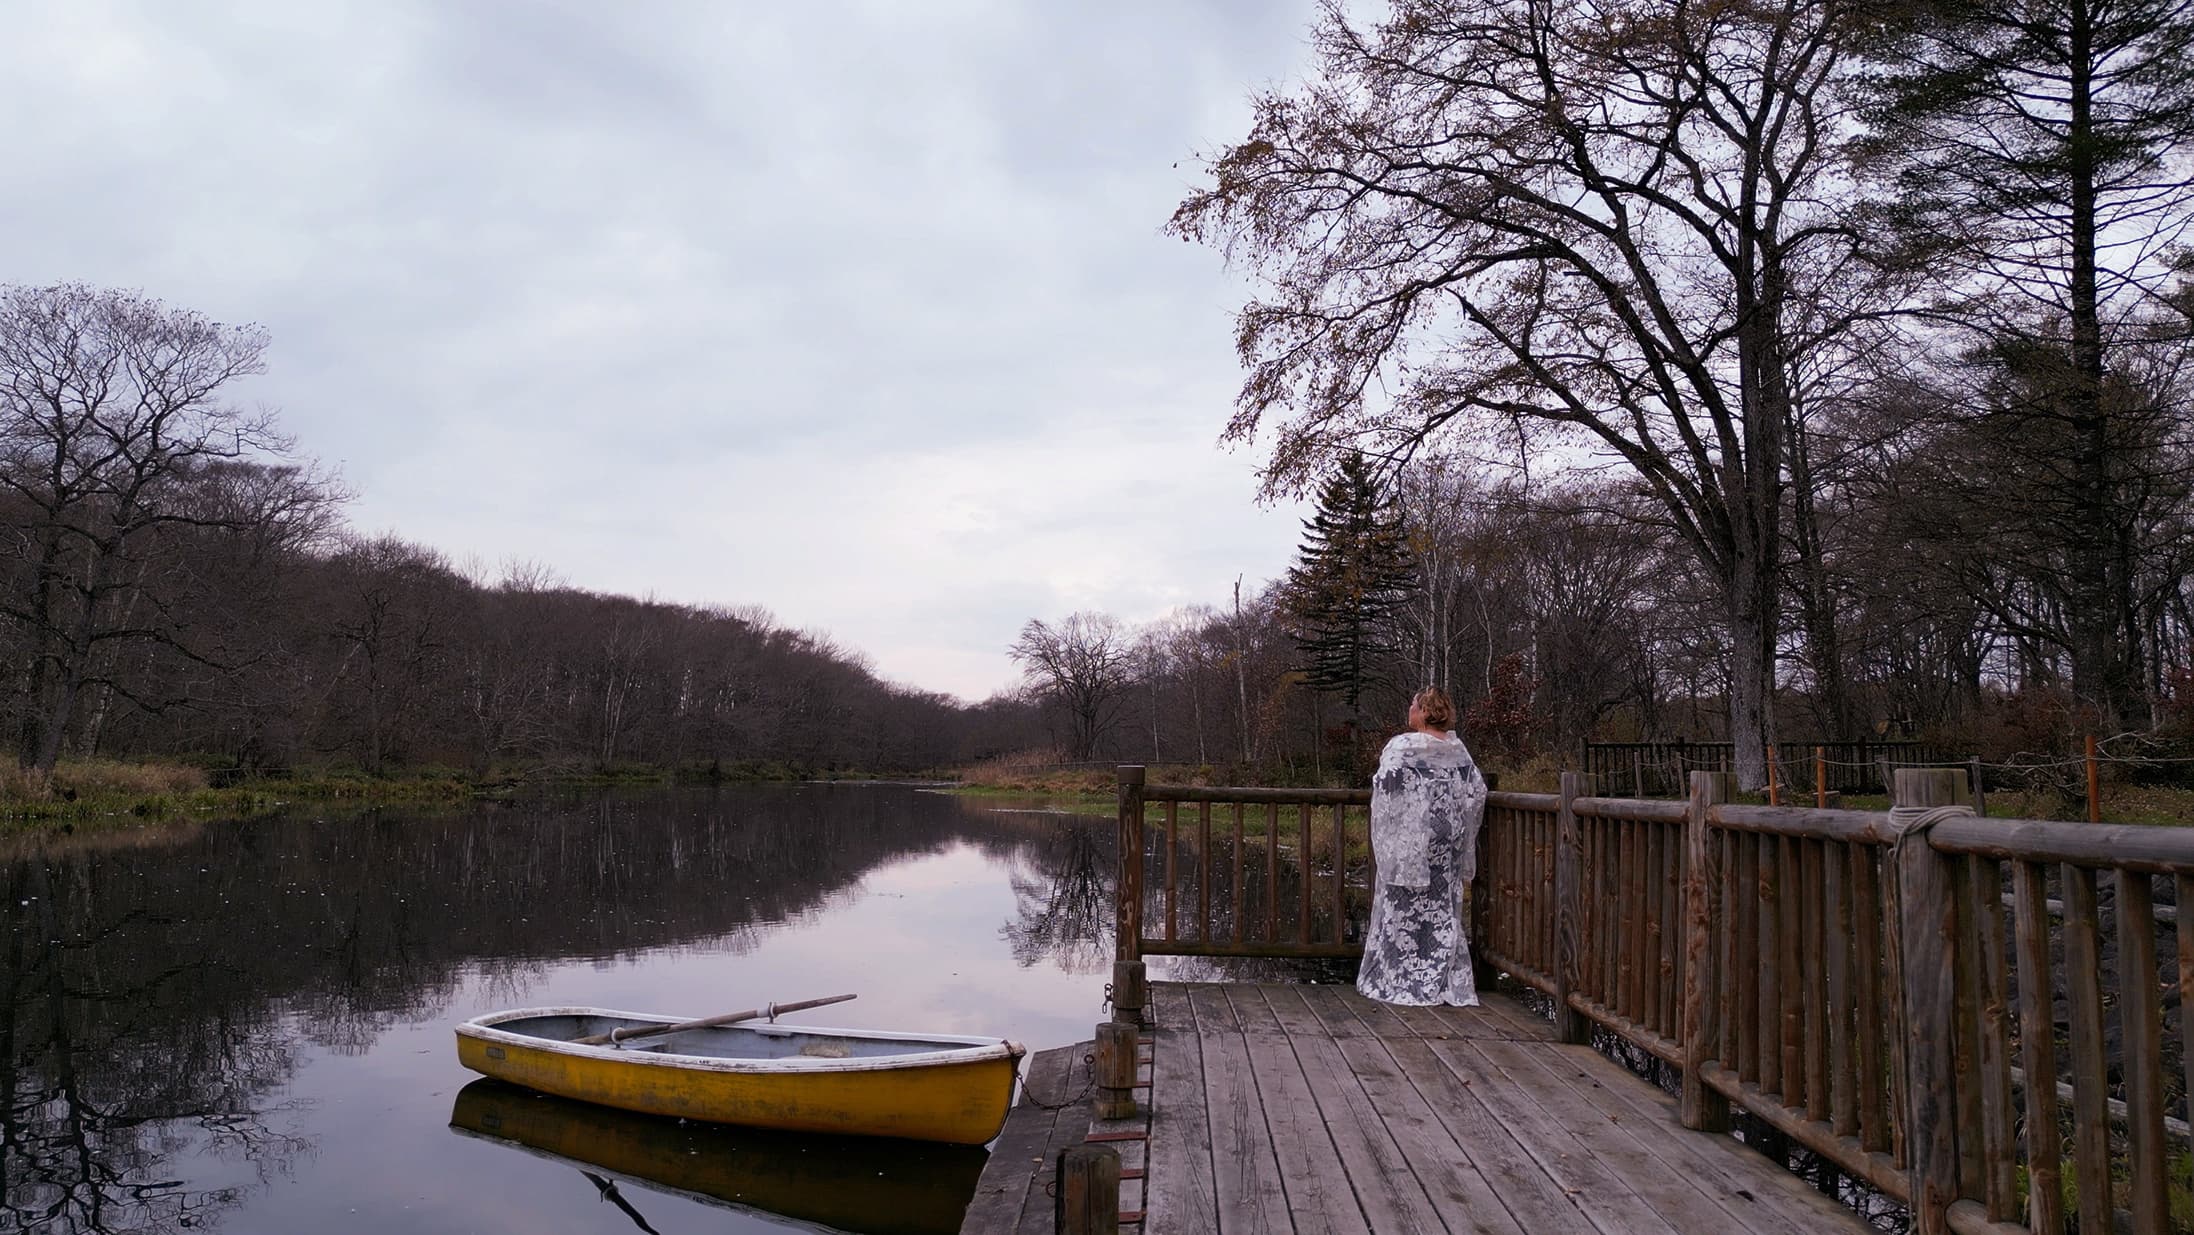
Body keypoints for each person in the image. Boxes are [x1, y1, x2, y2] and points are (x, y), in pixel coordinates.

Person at [1355, 685, 1488, 1006]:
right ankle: (1439, 971)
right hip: (1447, 843)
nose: (1410, 710)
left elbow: (1386, 786)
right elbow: (1478, 791)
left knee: (1400, 905)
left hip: (1412, 842)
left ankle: (1401, 973)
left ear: (1426, 712)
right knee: (1442, 906)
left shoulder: (1403, 747)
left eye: (1414, 705)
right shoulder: (1458, 750)